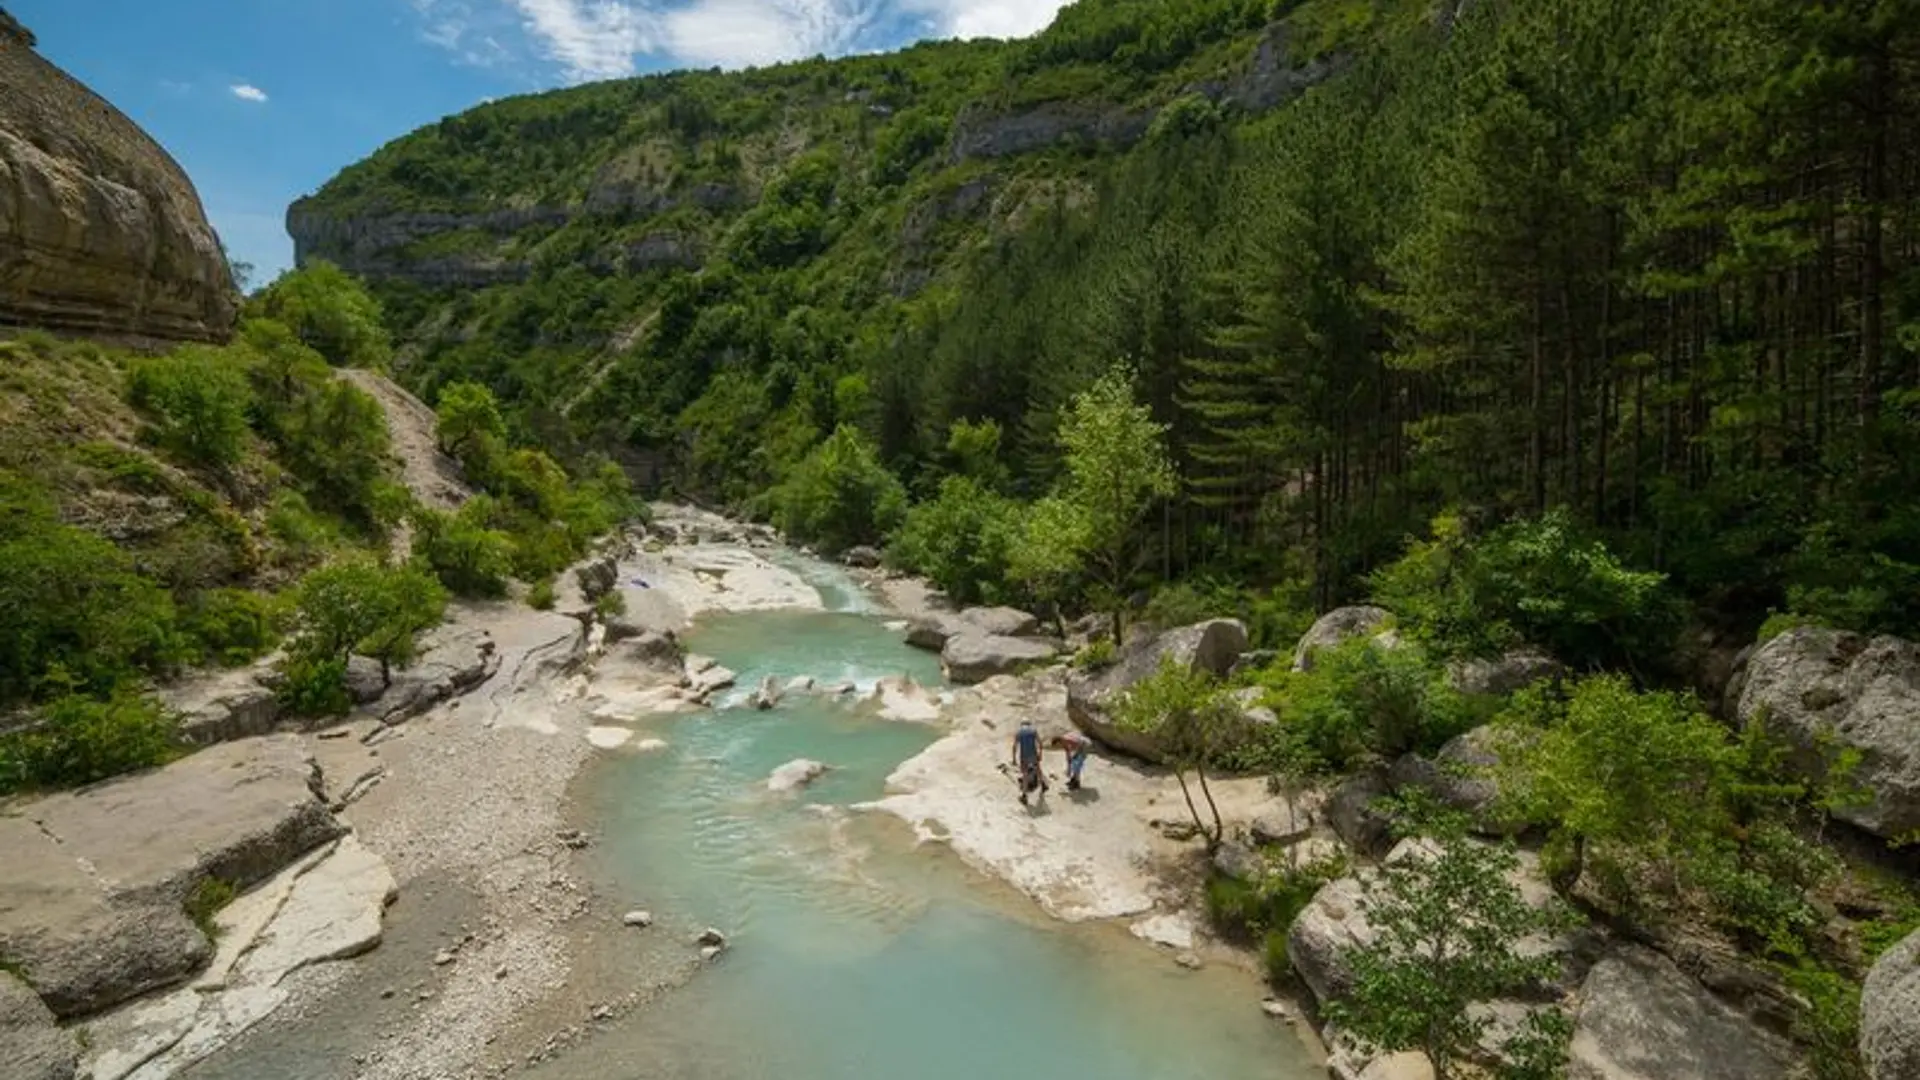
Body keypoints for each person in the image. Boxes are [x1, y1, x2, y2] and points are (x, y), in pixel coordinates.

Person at [1012, 719, 1047, 804]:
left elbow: (1014, 747)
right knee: (1038, 769)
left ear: (1022, 725)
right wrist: (1040, 754)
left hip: (1024, 756)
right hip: (1033, 754)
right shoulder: (1033, 730)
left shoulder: (1019, 733)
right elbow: (1040, 743)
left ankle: (1024, 796)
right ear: (1029, 724)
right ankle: (1043, 784)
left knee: (1025, 775)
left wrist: (1014, 759)